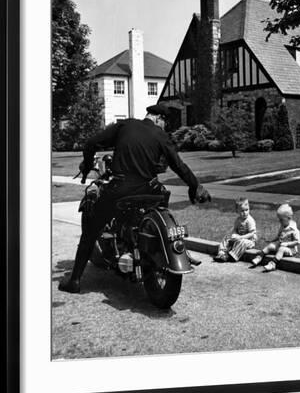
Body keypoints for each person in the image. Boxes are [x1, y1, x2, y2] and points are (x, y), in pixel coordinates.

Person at [59, 104, 212, 293]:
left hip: (121, 190)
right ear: (158, 118)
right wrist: (194, 185)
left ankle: (74, 281)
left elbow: (91, 143)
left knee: (90, 230)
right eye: (164, 122)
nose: (163, 127)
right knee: (161, 202)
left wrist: (87, 163)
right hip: (150, 190)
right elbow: (178, 165)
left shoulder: (126, 126)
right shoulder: (160, 135)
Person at [249, 203, 300, 272]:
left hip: (291, 250)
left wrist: (287, 244)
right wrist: (272, 240)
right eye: (279, 219)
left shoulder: (294, 229)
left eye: (281, 219)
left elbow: (297, 242)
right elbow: (279, 236)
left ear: (289, 218)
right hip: (280, 244)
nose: (279, 221)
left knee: (281, 249)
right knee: (270, 246)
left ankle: (273, 264)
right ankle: (259, 257)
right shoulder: (282, 226)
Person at [213, 198, 257, 262]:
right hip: (239, 238)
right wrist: (234, 234)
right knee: (227, 237)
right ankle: (222, 253)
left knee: (242, 242)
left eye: (247, 210)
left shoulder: (250, 220)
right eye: (242, 211)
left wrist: (240, 237)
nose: (245, 213)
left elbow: (252, 233)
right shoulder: (238, 220)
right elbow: (235, 229)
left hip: (249, 240)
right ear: (237, 211)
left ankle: (232, 256)